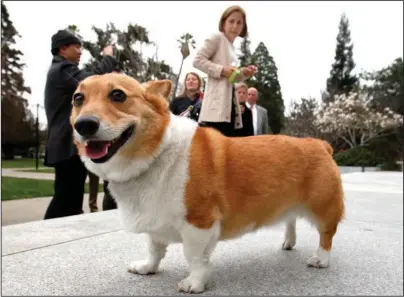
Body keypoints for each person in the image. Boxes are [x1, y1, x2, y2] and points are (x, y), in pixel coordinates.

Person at [43, 29, 119, 219]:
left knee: (70, 199)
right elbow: (94, 82)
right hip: (66, 144)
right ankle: (46, 238)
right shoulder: (62, 70)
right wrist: (108, 57)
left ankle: (59, 237)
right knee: (66, 200)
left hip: (67, 145)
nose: (80, 51)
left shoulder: (61, 71)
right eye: (76, 47)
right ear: (63, 48)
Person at [193, 5, 257, 137]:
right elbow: (197, 60)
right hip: (214, 111)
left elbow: (231, 78)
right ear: (223, 23)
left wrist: (244, 73)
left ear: (243, 27)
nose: (235, 26)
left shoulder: (232, 48)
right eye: (231, 21)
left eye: (239, 23)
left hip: (229, 110)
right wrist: (222, 70)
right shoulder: (216, 38)